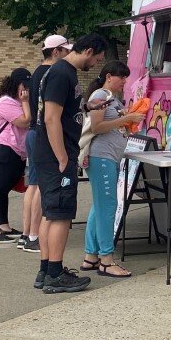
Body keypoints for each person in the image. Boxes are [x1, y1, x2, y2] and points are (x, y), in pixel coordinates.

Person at [33, 32, 107, 294]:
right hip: (57, 154)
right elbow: (51, 118)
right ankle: (55, 273)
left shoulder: (63, 74)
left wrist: (87, 106)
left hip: (53, 153)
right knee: (61, 215)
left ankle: (46, 270)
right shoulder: (61, 73)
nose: (96, 64)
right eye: (97, 58)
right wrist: (62, 156)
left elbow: (63, 111)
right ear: (88, 51)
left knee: (51, 213)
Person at [80, 61, 137, 278]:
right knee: (108, 207)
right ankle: (106, 259)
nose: (124, 81)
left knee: (100, 206)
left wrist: (126, 121)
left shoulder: (112, 99)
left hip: (108, 157)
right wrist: (125, 119)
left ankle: (91, 256)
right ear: (109, 77)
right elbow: (97, 127)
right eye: (122, 77)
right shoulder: (100, 96)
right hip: (101, 157)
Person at [19, 35, 72, 253]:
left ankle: (27, 234)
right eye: (65, 50)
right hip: (42, 135)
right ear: (56, 51)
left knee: (33, 184)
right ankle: (33, 235)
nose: (68, 54)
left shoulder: (36, 73)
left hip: (33, 132)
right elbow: (50, 117)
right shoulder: (52, 73)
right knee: (43, 186)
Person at [0, 68, 32, 243]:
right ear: (15, 84)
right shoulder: (6, 102)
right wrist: (26, 101)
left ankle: (3, 225)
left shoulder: (18, 102)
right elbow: (25, 121)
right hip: (4, 151)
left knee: (3, 191)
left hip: (16, 152)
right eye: (24, 85)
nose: (26, 89)